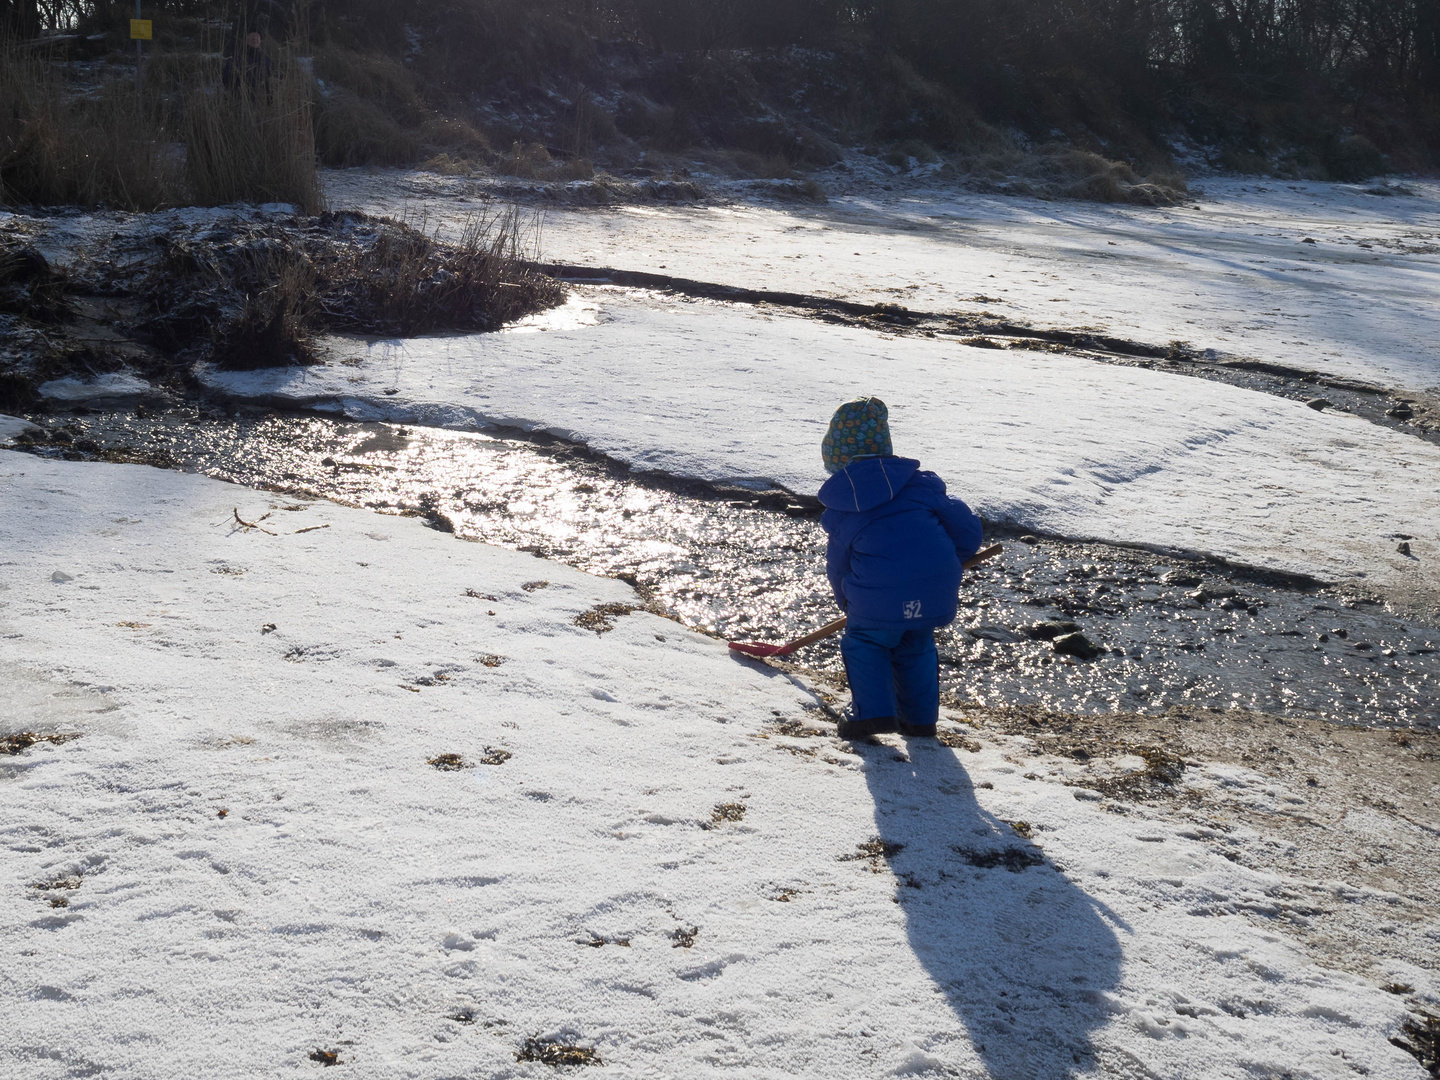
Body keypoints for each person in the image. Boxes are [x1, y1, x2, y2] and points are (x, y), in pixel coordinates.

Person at [817, 396, 983, 740]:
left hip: (876, 599)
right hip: (934, 589)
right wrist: (954, 556)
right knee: (916, 644)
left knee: (865, 642)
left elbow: (839, 566)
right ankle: (920, 721)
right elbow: (967, 530)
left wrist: (846, 601)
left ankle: (872, 715)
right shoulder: (921, 487)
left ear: (838, 463)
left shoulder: (845, 508)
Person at [222, 28, 273, 99]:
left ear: (260, 40)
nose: (254, 39)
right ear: (246, 38)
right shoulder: (238, 56)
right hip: (243, 99)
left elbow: (273, 74)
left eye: (257, 36)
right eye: (251, 36)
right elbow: (227, 79)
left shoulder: (265, 58)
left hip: (264, 100)